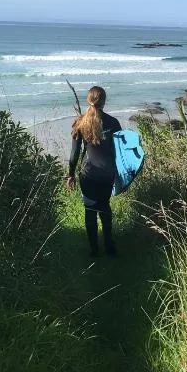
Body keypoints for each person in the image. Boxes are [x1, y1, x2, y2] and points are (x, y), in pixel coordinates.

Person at [67, 86, 122, 257]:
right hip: (107, 174)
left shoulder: (80, 122)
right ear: (104, 101)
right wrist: (120, 174)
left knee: (90, 210)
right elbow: (119, 152)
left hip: (88, 175)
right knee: (105, 207)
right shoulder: (113, 123)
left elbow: (74, 154)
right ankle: (109, 246)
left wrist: (70, 175)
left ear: (88, 100)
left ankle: (94, 250)